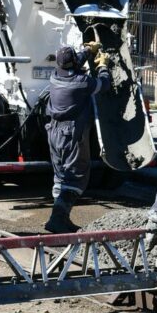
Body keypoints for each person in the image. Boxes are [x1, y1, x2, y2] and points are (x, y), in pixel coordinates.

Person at [44, 42, 111, 233]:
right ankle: (58, 219)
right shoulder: (82, 82)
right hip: (71, 134)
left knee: (60, 176)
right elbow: (103, 85)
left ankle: (57, 217)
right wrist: (103, 65)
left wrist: (88, 51)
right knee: (75, 177)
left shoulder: (55, 75)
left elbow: (74, 63)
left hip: (54, 133)